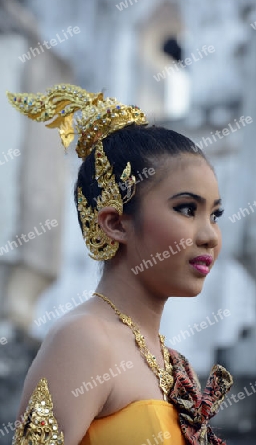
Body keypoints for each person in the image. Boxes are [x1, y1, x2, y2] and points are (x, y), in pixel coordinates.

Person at [7, 84, 233, 445]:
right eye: (186, 209)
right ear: (115, 223)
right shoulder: (83, 339)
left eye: (215, 214)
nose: (210, 236)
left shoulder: (175, 365)